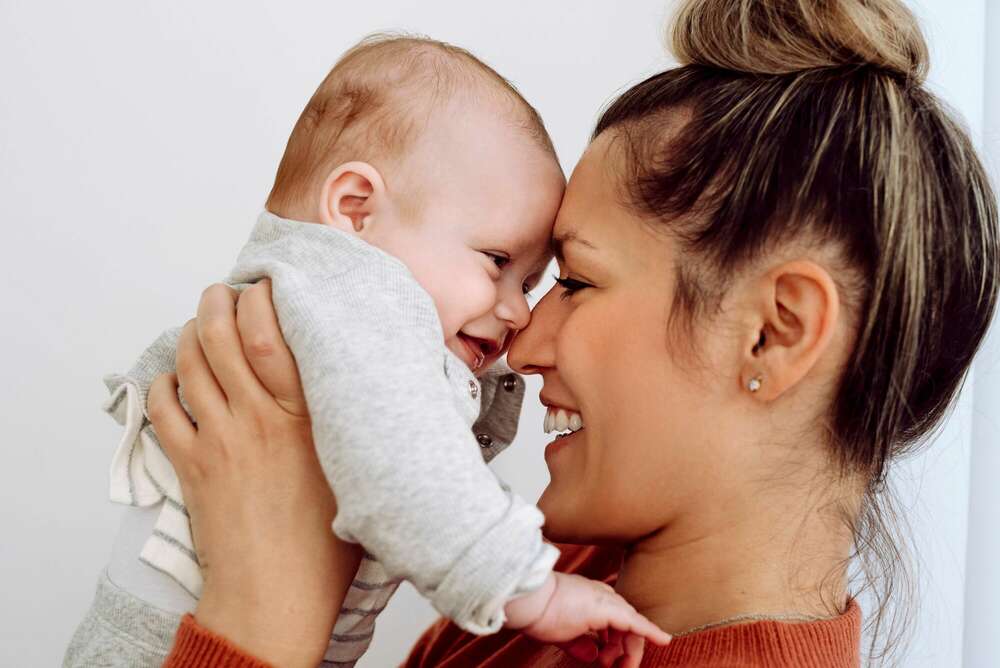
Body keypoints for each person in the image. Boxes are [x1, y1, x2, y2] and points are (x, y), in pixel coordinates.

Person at [89, 0, 1000, 665]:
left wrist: (267, 606)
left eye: (577, 281)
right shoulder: (551, 595)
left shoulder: (537, 591)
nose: (520, 348)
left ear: (774, 333)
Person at [62, 34, 672, 668]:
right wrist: (532, 593)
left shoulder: (326, 313)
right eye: (497, 261)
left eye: (531, 281)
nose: (519, 312)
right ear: (355, 211)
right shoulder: (359, 294)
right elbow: (406, 460)